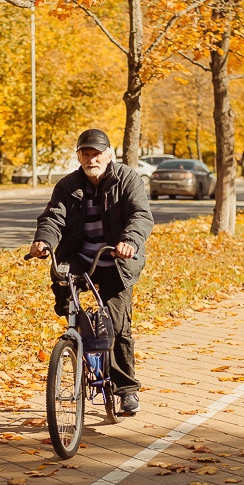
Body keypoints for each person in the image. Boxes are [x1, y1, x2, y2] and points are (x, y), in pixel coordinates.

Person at [30, 128, 154, 414]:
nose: (91, 158)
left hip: (116, 260)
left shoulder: (127, 179)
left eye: (96, 153)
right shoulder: (68, 185)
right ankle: (75, 338)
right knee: (64, 286)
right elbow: (53, 217)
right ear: (78, 157)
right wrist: (44, 241)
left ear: (109, 155)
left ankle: (126, 390)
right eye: (85, 153)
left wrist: (130, 241)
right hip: (82, 257)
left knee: (118, 326)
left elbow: (141, 215)